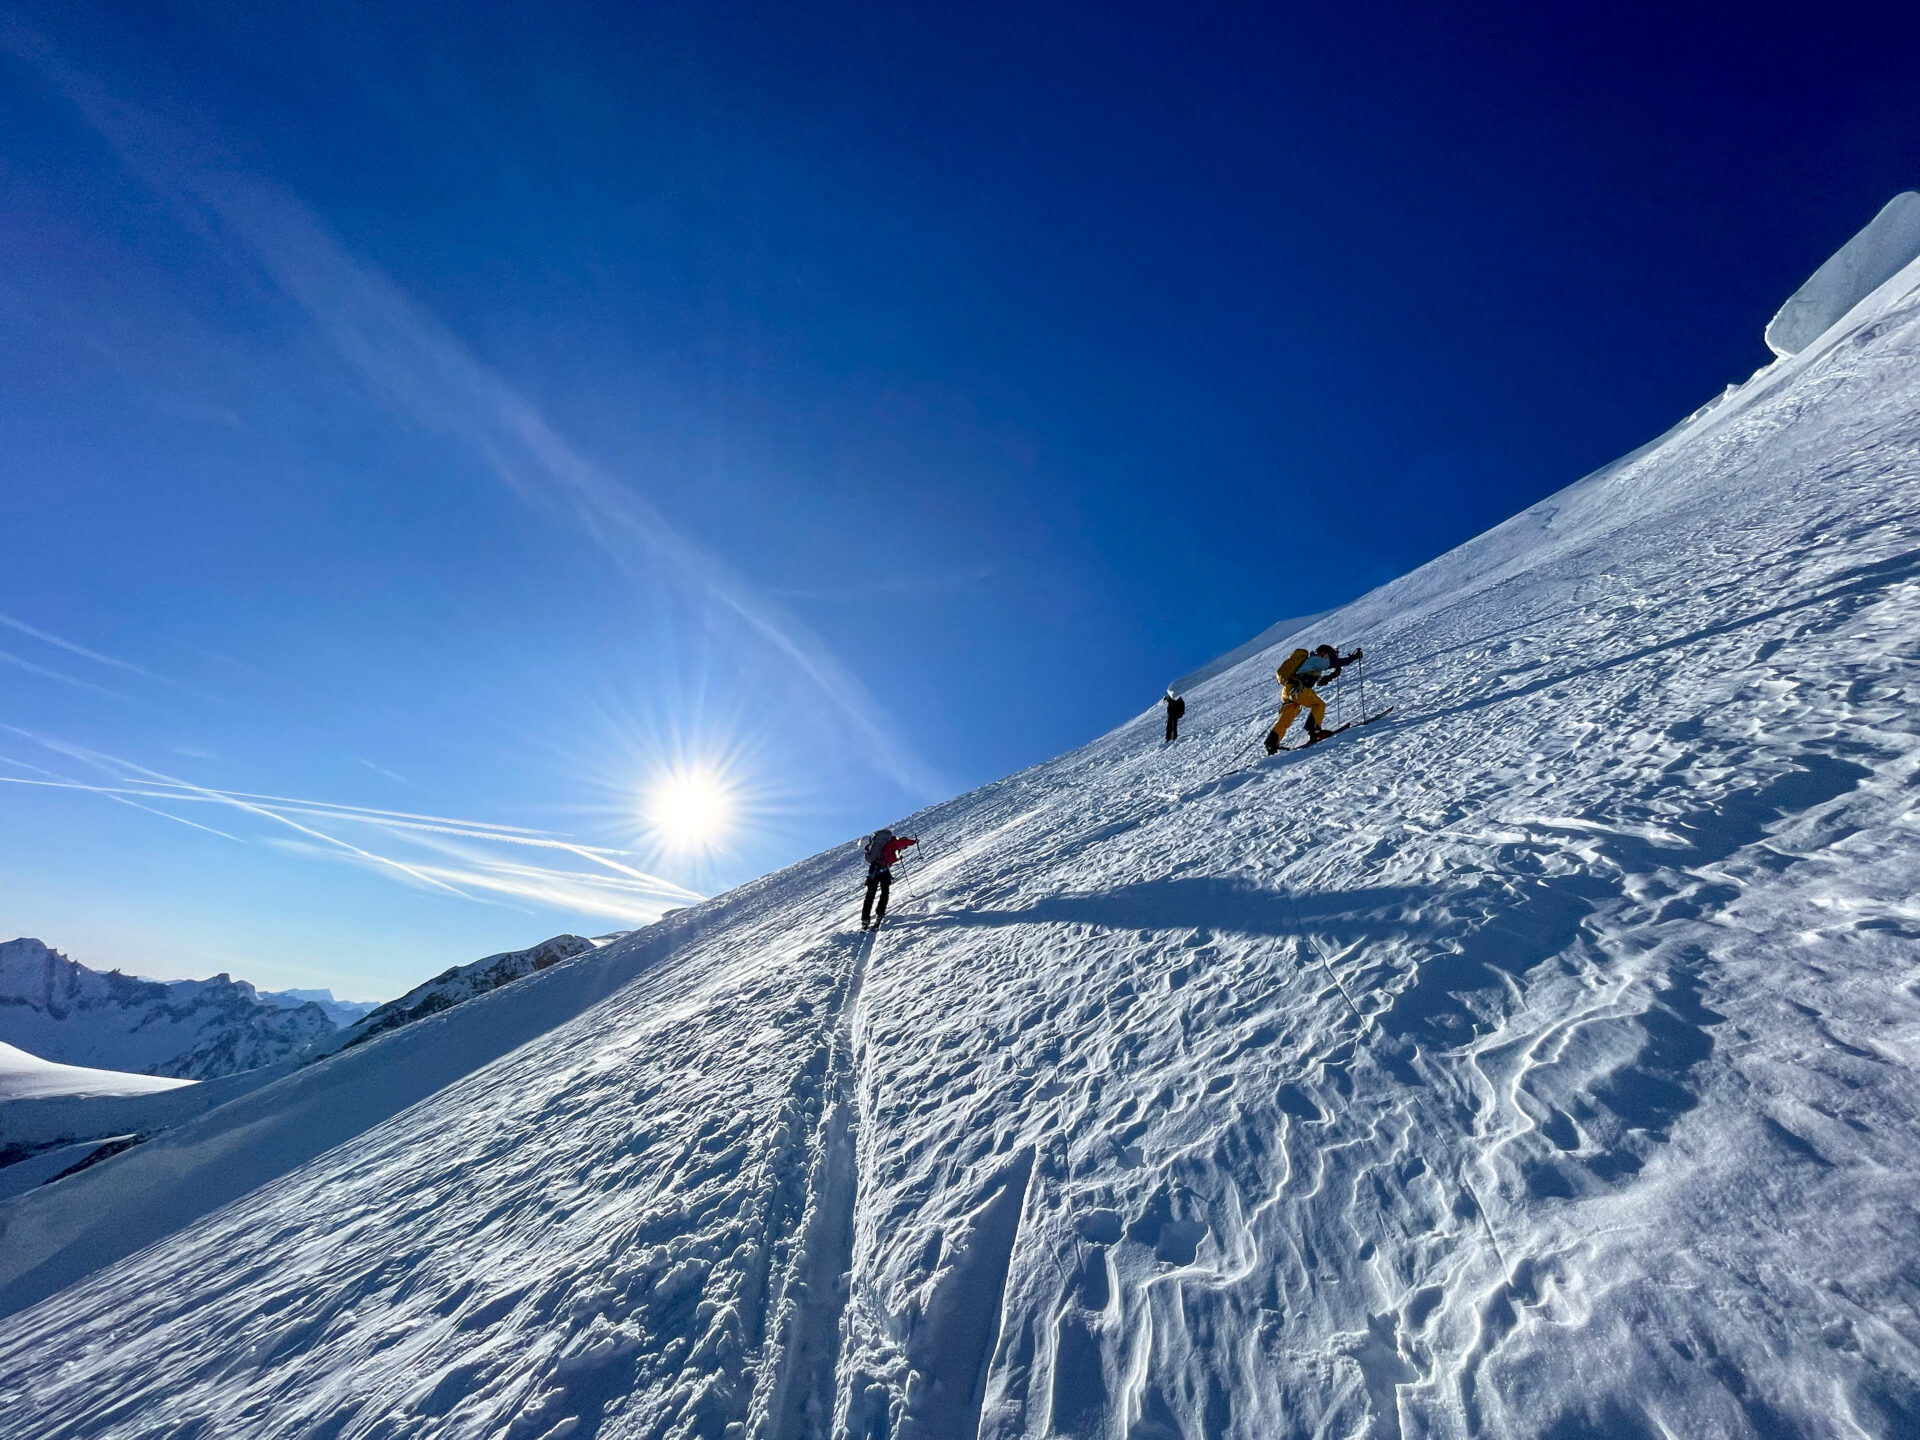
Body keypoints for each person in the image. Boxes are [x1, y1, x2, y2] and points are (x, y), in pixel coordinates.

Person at [1265, 643, 1362, 754]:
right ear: (1324, 653)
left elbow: (1319, 682)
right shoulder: (1317, 659)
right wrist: (1353, 658)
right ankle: (1315, 731)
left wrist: (1332, 675)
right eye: (1328, 655)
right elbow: (1334, 662)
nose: (1328, 658)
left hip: (1288, 690)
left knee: (1287, 717)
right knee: (1319, 705)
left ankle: (1271, 744)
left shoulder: (1310, 663)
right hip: (1297, 689)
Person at [861, 826, 919, 929]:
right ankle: (880, 913)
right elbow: (899, 844)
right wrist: (914, 842)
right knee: (884, 892)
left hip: (874, 870)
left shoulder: (889, 848)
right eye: (903, 847)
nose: (902, 848)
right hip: (882, 871)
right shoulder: (893, 843)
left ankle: (865, 919)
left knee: (870, 894)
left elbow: (888, 859)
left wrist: (897, 858)